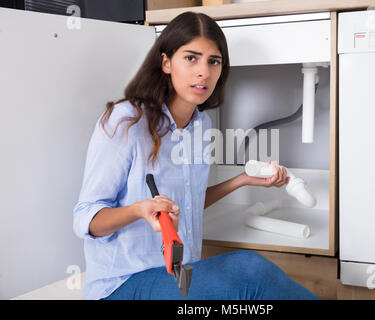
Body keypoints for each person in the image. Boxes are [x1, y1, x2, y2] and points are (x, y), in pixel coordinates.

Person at [73, 11, 319, 300]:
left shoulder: (200, 125)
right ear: (166, 62)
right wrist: (140, 209)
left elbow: (188, 203)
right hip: (122, 284)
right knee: (250, 270)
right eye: (191, 58)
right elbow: (86, 219)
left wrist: (242, 180)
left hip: (178, 276)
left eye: (213, 61)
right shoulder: (125, 120)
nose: (203, 71)